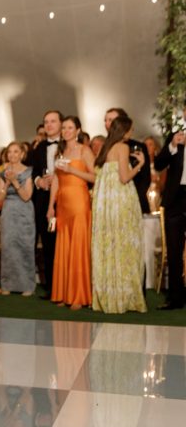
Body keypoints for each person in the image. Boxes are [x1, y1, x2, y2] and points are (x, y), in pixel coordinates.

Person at [91, 114, 147, 313]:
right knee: (124, 245)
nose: (132, 133)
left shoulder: (105, 148)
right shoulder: (122, 147)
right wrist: (139, 165)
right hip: (120, 201)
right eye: (130, 129)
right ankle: (124, 296)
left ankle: (108, 294)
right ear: (124, 130)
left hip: (106, 203)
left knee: (109, 245)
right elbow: (124, 177)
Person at [47, 116, 95, 310]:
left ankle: (79, 295)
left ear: (78, 130)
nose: (66, 131)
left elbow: (94, 176)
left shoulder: (85, 150)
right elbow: (56, 181)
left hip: (79, 201)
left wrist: (71, 170)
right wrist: (51, 205)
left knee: (78, 246)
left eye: (70, 128)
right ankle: (63, 293)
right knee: (63, 246)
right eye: (64, 128)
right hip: (63, 203)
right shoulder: (60, 151)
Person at [0, 142, 35, 296]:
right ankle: (8, 284)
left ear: (22, 154)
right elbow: (0, 197)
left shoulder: (28, 171)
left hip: (24, 211)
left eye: (16, 152)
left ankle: (27, 285)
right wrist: (6, 182)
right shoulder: (2, 172)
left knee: (24, 245)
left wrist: (15, 181)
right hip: (8, 211)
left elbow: (26, 196)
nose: (12, 155)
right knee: (8, 246)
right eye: (10, 152)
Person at [31, 110, 63, 298]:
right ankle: (53, 288)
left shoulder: (70, 146)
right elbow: (33, 172)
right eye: (46, 122)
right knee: (49, 244)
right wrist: (39, 182)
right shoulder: (40, 147)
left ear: (61, 123)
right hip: (45, 202)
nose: (49, 125)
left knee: (67, 243)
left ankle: (70, 286)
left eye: (53, 121)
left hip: (67, 200)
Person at [153, 126, 186, 310]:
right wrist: (173, 145)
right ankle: (175, 298)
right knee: (174, 250)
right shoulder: (176, 137)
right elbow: (158, 165)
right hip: (176, 199)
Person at [104, 108, 151, 214]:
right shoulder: (103, 147)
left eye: (111, 120)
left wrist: (135, 199)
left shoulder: (138, 146)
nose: (107, 124)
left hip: (133, 201)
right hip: (111, 201)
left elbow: (145, 178)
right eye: (105, 120)